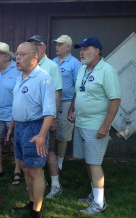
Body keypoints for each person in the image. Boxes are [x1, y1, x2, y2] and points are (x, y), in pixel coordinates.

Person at [68, 37, 121, 214]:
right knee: (88, 162)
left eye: (86, 49)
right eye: (80, 49)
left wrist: (105, 126)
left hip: (96, 125)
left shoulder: (107, 71)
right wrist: (71, 109)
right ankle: (94, 194)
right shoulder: (83, 69)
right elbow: (78, 91)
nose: (81, 52)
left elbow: (115, 100)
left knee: (95, 163)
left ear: (97, 51)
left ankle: (99, 203)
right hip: (81, 122)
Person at [10, 42, 55, 218]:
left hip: (35, 128)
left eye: (22, 54)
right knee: (24, 167)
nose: (17, 58)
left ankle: (36, 213)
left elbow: (50, 112)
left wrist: (42, 135)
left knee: (35, 171)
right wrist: (12, 128)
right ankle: (31, 203)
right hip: (20, 128)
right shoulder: (20, 76)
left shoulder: (43, 78)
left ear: (35, 57)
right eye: (17, 54)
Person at [27, 35, 63, 199]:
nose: (34, 48)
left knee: (49, 151)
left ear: (44, 47)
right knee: (36, 151)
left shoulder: (51, 66)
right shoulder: (30, 65)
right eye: (31, 45)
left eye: (37, 45)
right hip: (32, 117)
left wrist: (53, 118)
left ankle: (56, 185)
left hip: (46, 117)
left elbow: (57, 93)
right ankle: (40, 182)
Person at [0, 42, 21, 184]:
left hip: (15, 114)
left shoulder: (17, 69)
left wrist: (14, 118)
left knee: (16, 142)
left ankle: (17, 170)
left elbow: (20, 95)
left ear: (6, 56)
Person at [53, 35, 82, 171]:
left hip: (66, 103)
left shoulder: (75, 63)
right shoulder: (53, 61)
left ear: (69, 47)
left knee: (63, 134)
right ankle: (50, 159)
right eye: (56, 44)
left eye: (60, 44)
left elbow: (78, 87)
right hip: (52, 102)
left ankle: (60, 163)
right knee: (51, 131)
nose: (57, 47)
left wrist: (72, 109)